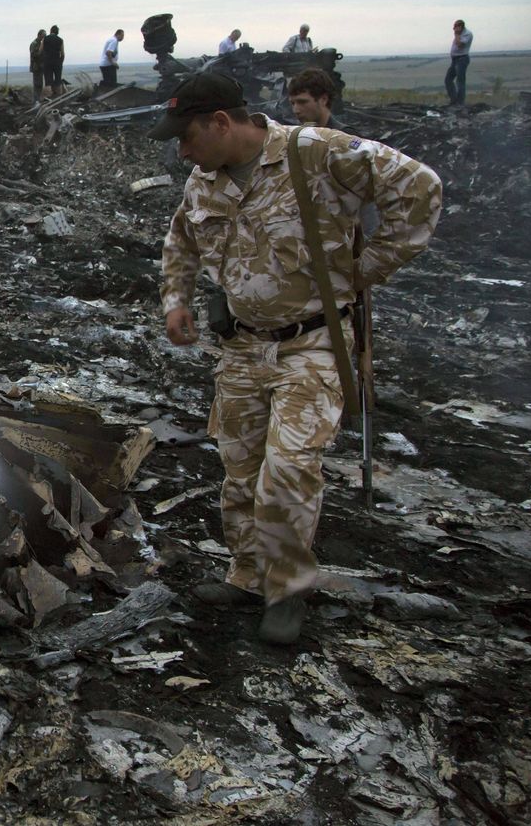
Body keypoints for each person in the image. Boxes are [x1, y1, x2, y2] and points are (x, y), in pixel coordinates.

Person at [151, 73, 441, 644]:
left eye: (187, 137)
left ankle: (287, 590)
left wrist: (367, 268)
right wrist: (176, 300)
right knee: (240, 466)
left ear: (220, 123)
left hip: (313, 342)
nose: (182, 151)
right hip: (242, 346)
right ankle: (247, 574)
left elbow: (421, 188)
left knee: (287, 469)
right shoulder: (202, 180)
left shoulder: (315, 152)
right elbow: (181, 240)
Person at [446, 19, 473, 106]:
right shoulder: (459, 34)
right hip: (455, 60)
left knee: (460, 81)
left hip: (462, 59)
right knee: (448, 79)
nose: (454, 29)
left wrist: (457, 35)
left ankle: (460, 103)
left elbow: (460, 45)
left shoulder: (467, 34)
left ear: (460, 27)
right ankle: (454, 100)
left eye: (455, 27)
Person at [43, 25, 66, 96]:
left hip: (47, 62)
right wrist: (61, 62)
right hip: (57, 62)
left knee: (48, 82)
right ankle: (60, 98)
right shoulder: (60, 40)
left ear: (50, 31)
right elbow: (62, 53)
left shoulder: (45, 39)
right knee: (58, 81)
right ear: (57, 32)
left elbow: (40, 50)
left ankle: (48, 99)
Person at [30, 29, 47, 103]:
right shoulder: (34, 44)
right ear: (39, 35)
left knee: (40, 84)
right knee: (37, 84)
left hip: (41, 67)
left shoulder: (40, 43)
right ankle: (36, 101)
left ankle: (38, 100)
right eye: (43, 36)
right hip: (36, 67)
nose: (44, 38)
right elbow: (34, 55)